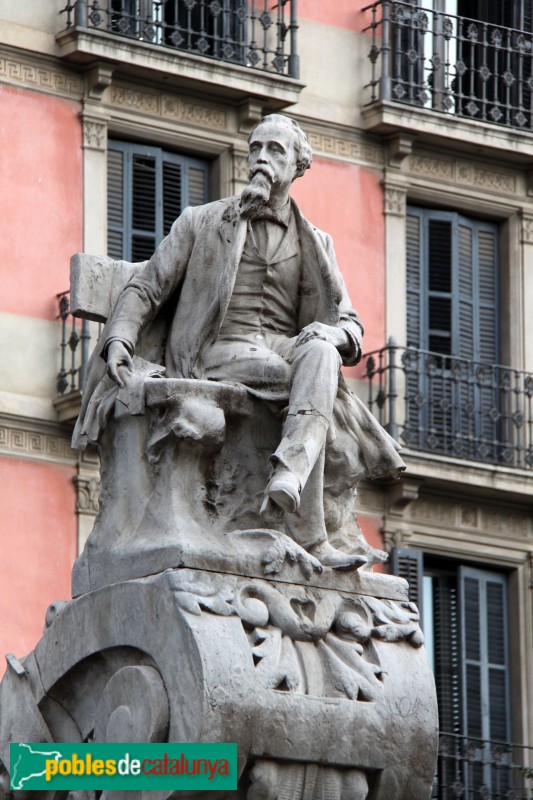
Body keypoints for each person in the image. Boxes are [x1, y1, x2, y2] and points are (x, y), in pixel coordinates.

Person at [98, 114, 403, 569]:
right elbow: (147, 287)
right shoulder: (202, 222)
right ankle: (310, 532)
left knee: (319, 353)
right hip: (218, 350)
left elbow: (351, 325)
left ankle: (290, 476)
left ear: (298, 166)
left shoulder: (316, 242)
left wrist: (332, 333)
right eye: (256, 148)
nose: (261, 158)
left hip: (284, 346)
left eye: (275, 151)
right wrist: (119, 337)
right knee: (306, 378)